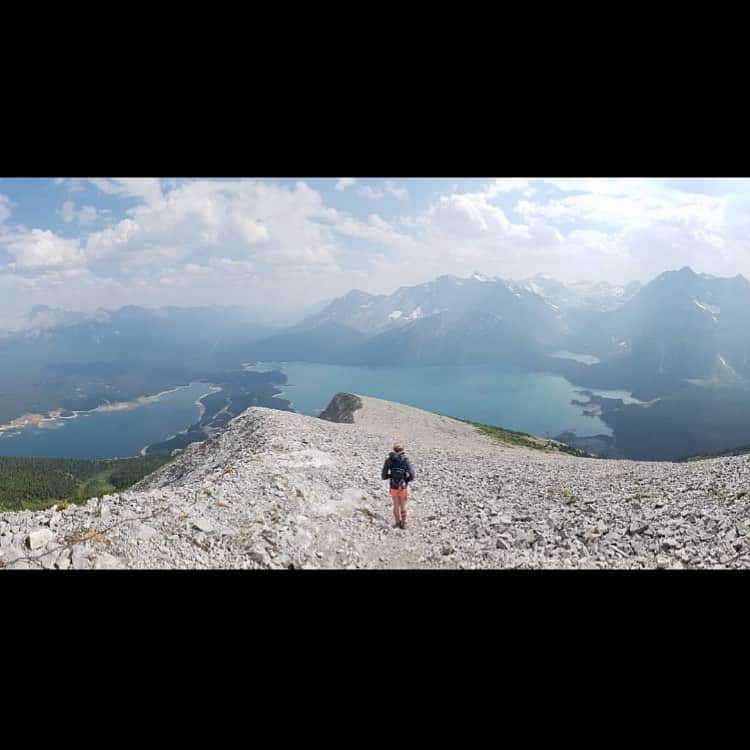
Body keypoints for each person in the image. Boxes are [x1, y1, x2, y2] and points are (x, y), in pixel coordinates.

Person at [382, 443, 415, 530]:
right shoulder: (406, 460)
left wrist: (390, 476)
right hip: (403, 486)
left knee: (395, 505)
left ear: (394, 450)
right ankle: (403, 523)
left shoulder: (389, 460)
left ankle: (397, 522)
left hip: (393, 486)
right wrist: (407, 480)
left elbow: (383, 475)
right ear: (402, 450)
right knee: (403, 505)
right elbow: (412, 474)